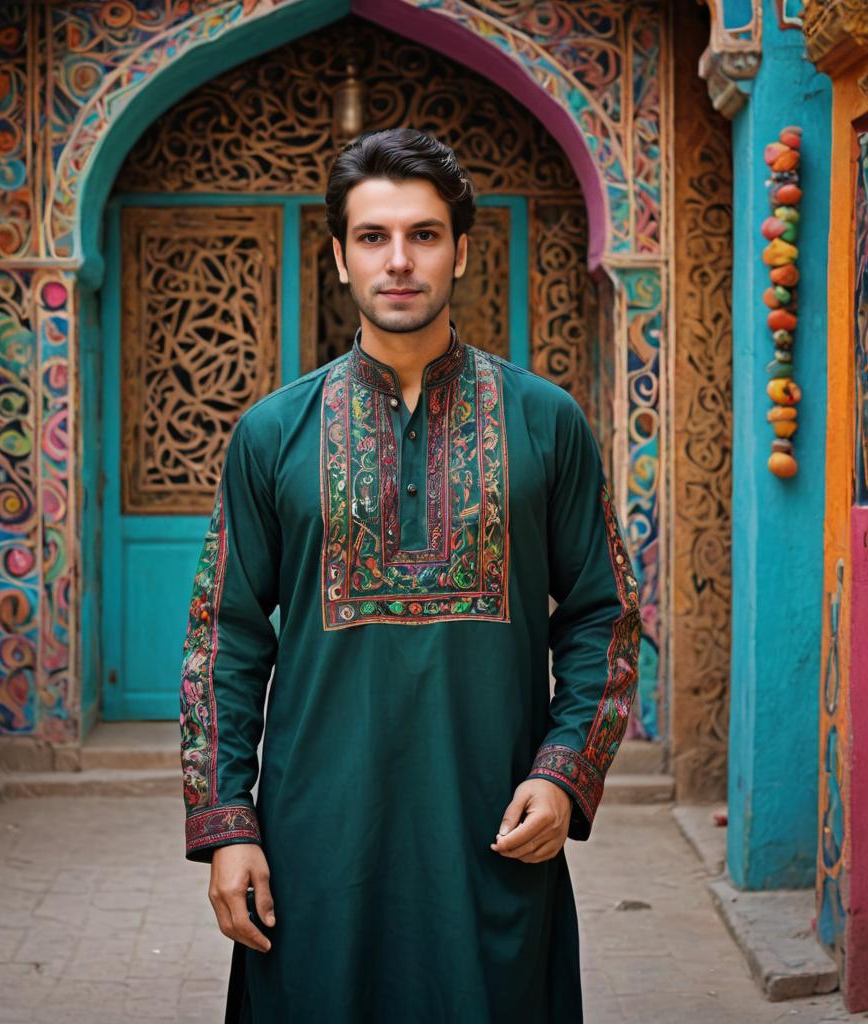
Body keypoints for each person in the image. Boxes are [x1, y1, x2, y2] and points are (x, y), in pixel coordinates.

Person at [179, 127, 640, 1023]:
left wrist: (563, 770)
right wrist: (228, 824)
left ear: (461, 252)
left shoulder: (546, 423)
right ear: (341, 258)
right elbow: (223, 638)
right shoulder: (274, 434)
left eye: (424, 235)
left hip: (494, 829)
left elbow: (603, 615)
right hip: (316, 841)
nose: (399, 261)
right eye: (373, 237)